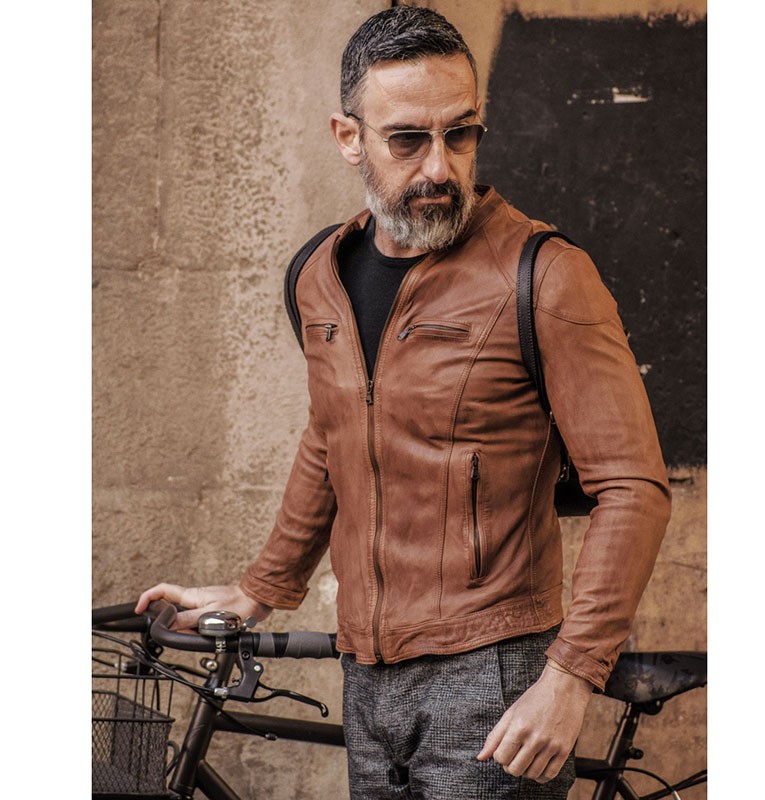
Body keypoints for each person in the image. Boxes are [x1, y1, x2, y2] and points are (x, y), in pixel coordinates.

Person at [137, 7, 670, 799]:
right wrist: (259, 590)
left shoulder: (546, 275)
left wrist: (570, 677)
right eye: (408, 140)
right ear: (348, 137)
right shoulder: (320, 274)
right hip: (368, 677)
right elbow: (332, 434)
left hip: (495, 679)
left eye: (461, 134)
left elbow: (633, 488)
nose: (440, 168)